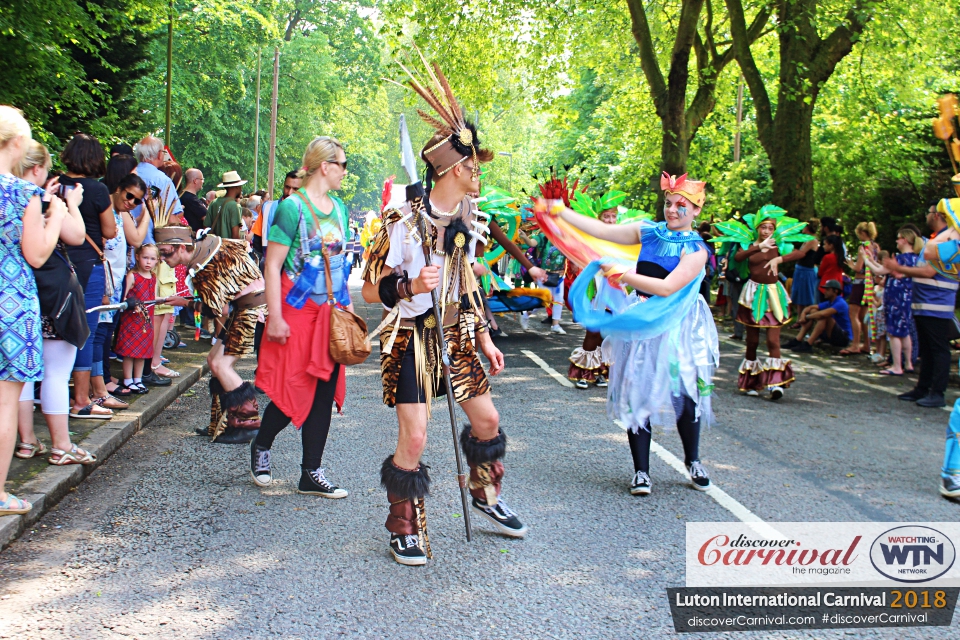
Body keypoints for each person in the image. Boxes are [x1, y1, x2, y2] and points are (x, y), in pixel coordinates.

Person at [361, 60, 525, 566]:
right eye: (475, 167)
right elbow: (368, 291)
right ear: (454, 170)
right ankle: (403, 525)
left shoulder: (471, 216)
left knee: (488, 420)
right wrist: (408, 284)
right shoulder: (400, 221)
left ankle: (484, 495)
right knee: (415, 434)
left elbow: (468, 279)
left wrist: (484, 338)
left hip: (455, 333)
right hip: (412, 335)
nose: (479, 174)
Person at [551, 172, 717, 496]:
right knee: (636, 390)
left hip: (678, 325)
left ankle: (693, 460)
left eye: (680, 205)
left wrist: (624, 274)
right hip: (642, 321)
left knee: (683, 393)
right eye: (668, 203)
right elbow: (603, 230)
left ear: (696, 210)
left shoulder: (697, 251)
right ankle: (641, 471)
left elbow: (668, 288)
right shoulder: (650, 231)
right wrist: (561, 212)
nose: (672, 210)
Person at [252, 137, 352, 497]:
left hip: (330, 313)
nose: (344, 172)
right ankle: (262, 445)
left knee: (323, 390)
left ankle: (311, 472)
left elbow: (339, 264)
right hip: (295, 311)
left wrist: (348, 308)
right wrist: (274, 317)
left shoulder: (339, 209)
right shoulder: (290, 208)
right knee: (292, 388)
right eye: (341, 165)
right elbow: (273, 265)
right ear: (325, 166)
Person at [0, 105, 67, 514]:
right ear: (18, 143)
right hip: (10, 302)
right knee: (5, 402)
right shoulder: (22, 193)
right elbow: (38, 254)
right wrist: (56, 214)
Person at [154, 210, 266, 443]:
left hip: (250, 310)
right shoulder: (208, 246)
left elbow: (218, 310)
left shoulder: (203, 265)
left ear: (182, 247)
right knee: (214, 361)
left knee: (220, 364)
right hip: (246, 307)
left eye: (166, 253)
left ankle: (249, 424)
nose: (163, 259)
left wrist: (184, 302)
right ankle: (222, 423)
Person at [13, 139, 92, 465]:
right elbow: (76, 236)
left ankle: (28, 441)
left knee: (19, 379)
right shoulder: (40, 202)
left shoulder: (8, 199)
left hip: (20, 295)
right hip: (54, 296)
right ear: (36, 169)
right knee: (56, 374)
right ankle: (61, 445)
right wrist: (69, 203)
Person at [59, 133, 118, 419]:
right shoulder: (96, 190)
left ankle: (51, 393)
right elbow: (109, 231)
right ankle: (81, 399)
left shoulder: (53, 184)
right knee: (86, 331)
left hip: (55, 263)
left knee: (55, 331)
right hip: (88, 265)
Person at [725, 206, 811, 400]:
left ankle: (776, 383)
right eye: (763, 227)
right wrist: (758, 247)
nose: (766, 231)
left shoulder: (777, 243)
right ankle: (752, 382)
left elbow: (801, 253)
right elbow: (737, 258)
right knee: (752, 342)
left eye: (770, 228)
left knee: (773, 340)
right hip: (753, 294)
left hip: (773, 294)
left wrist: (779, 258)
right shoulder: (748, 244)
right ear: (757, 228)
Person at [885, 201, 958, 409]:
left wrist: (899, 268)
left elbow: (929, 272)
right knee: (927, 350)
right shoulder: (935, 240)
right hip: (926, 303)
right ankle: (923, 388)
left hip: (937, 304)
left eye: (930, 212)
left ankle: (937, 393)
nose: (927, 215)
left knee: (938, 349)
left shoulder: (948, 240)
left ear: (937, 216)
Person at [96, 169, 152, 404]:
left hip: (116, 283)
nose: (132, 203)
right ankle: (99, 384)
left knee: (107, 334)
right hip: (102, 284)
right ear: (118, 189)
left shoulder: (122, 213)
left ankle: (104, 378)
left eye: (137, 201)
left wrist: (146, 210)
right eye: (129, 196)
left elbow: (136, 239)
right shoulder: (105, 209)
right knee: (99, 336)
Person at [568, 203, 618, 389]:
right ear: (599, 218)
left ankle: (601, 372)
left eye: (613, 216)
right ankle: (584, 372)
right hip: (595, 291)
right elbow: (578, 260)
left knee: (608, 335)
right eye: (606, 216)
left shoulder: (622, 238)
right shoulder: (592, 238)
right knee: (593, 331)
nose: (610, 220)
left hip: (615, 293)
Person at [862, 229, 920, 375]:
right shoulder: (915, 258)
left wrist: (866, 259)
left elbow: (879, 271)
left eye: (899, 238)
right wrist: (871, 259)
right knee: (905, 331)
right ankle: (908, 363)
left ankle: (897, 366)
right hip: (907, 297)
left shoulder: (900, 259)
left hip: (895, 297)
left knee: (894, 332)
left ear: (905, 240)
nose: (897, 241)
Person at [114, 244, 159, 394]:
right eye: (145, 258)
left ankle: (138, 379)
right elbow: (124, 298)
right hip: (132, 321)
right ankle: (128, 380)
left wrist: (162, 300)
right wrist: (132, 305)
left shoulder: (153, 277)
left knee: (142, 352)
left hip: (146, 322)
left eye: (152, 259)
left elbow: (152, 297)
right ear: (138, 257)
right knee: (129, 351)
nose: (148, 262)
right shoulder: (133, 276)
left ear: (157, 261)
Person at [842, 221, 880, 356]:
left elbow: (859, 267)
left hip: (860, 281)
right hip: (870, 283)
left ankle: (855, 344)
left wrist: (851, 265)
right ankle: (867, 344)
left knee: (853, 314)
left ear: (862, 233)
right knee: (864, 315)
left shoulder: (863, 247)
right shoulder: (876, 246)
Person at [787, 280, 852, 351]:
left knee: (824, 316)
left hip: (843, 338)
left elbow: (823, 314)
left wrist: (806, 317)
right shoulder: (829, 302)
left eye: (827, 289)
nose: (824, 292)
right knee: (813, 311)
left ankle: (808, 344)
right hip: (831, 335)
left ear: (835, 291)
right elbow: (809, 308)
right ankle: (797, 340)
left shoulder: (841, 303)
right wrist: (802, 315)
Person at [790, 219, 820, 317]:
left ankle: (806, 320)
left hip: (806, 271)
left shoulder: (812, 240)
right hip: (800, 270)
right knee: (799, 298)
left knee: (806, 297)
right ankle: (799, 319)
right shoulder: (806, 239)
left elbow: (801, 254)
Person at [205, 172, 245, 239]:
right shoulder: (234, 206)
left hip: (215, 246)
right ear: (237, 187)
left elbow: (206, 227)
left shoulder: (214, 202)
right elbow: (235, 235)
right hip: (228, 247)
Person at [180, 168, 207, 232]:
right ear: (195, 181)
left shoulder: (180, 195)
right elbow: (207, 219)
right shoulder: (192, 200)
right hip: (194, 237)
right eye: (202, 179)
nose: (203, 181)